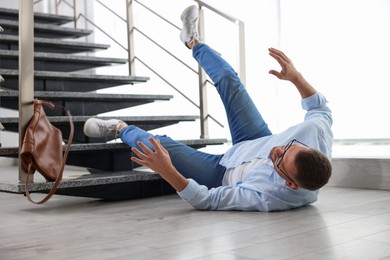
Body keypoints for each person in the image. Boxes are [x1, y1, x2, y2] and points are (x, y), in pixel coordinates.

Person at [83, 5, 333, 212]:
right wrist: (296, 77)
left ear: (289, 183)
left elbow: (206, 200)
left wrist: (167, 171)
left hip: (220, 172)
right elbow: (320, 110)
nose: (278, 150)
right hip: (256, 139)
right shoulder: (313, 134)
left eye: (280, 158)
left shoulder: (270, 197)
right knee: (228, 79)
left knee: (156, 145)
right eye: (288, 146)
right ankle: (192, 41)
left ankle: (119, 128)